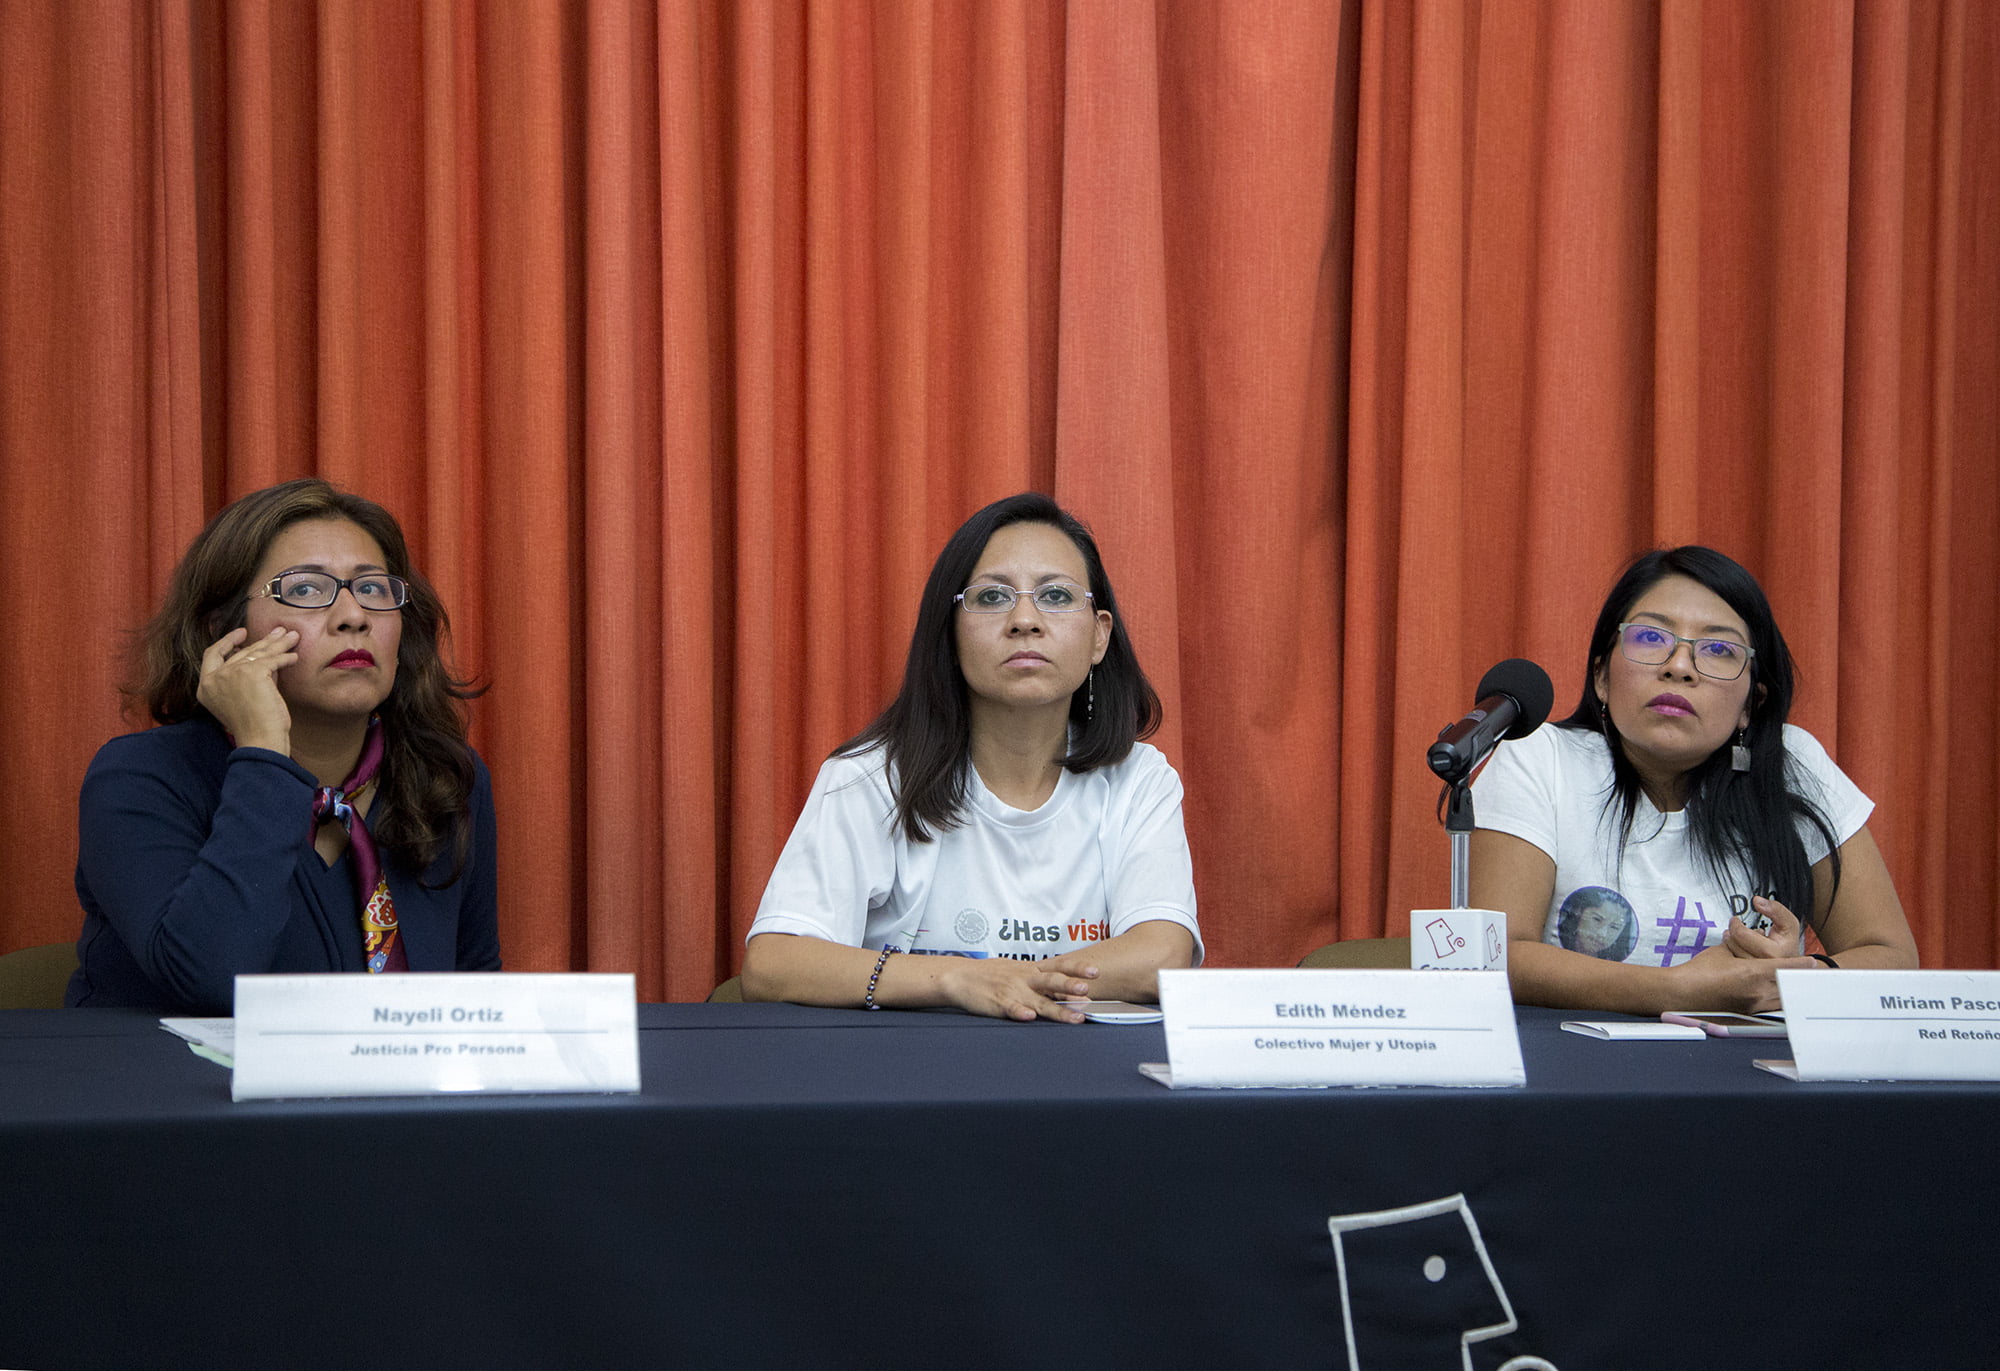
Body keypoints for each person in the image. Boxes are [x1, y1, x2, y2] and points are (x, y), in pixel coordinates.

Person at [742, 492, 1200, 1022]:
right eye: (991, 598)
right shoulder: (868, 777)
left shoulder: (1138, 779)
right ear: (951, 632)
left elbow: (1162, 957)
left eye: (1055, 596)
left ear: (1099, 636)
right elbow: (772, 965)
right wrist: (959, 979)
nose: (1025, 619)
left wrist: (1006, 980)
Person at [69, 478, 500, 1014]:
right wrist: (264, 755)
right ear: (225, 629)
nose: (353, 616)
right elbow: (212, 981)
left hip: (389, 1098)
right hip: (173, 1092)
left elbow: (475, 992)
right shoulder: (141, 777)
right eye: (305, 589)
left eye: (373, 589)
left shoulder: (445, 777)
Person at [1471, 545, 1916, 1014]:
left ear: (1751, 704)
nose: (1678, 666)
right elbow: (1500, 955)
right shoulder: (1539, 758)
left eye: (1719, 649)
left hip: (1749, 1072)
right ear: (1601, 676)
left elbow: (1892, 956)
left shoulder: (1792, 764)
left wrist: (1796, 979)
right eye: (1650, 637)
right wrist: (1682, 990)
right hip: (1577, 1072)